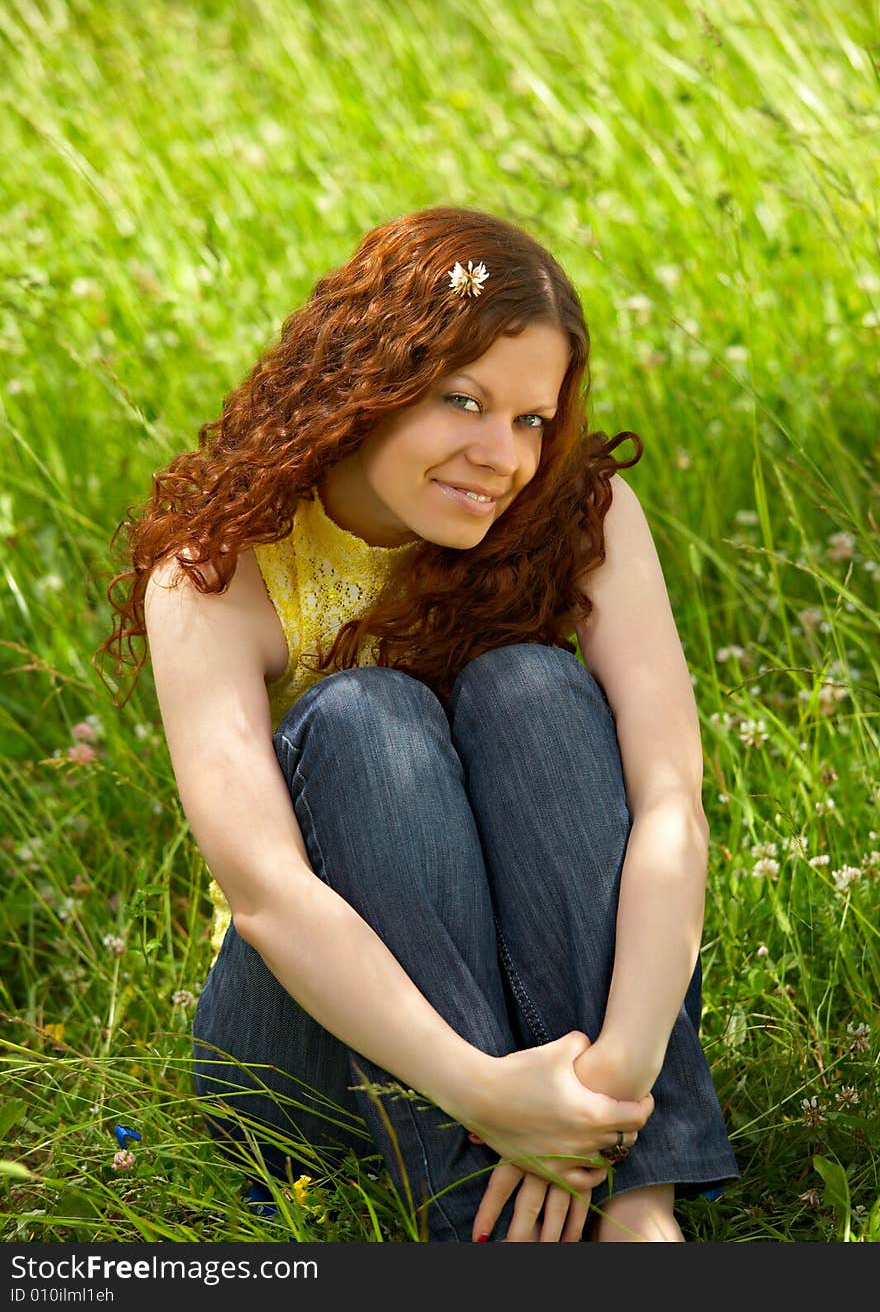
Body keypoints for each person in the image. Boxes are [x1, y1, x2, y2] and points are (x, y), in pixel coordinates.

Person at [95, 205, 739, 1242]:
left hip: (570, 1053)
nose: (502, 455)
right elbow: (266, 896)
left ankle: (632, 1205)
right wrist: (484, 1093)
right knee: (364, 714)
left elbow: (672, 802)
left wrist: (616, 1081)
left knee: (531, 687)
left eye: (531, 419)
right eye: (463, 400)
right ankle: (480, 1213)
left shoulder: (579, 515)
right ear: (368, 385)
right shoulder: (222, 574)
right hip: (314, 1051)